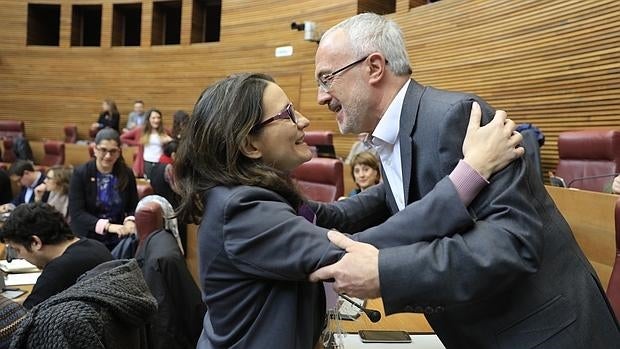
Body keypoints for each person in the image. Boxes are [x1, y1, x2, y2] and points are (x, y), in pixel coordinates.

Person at [309, 13, 620, 348]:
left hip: (546, 334)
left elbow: (512, 242)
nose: (320, 97)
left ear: (373, 67)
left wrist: (387, 271)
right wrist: (310, 217)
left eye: (327, 79)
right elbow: (400, 196)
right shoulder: (393, 131)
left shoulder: (455, 117)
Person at [173, 73, 519, 349]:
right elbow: (349, 249)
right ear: (249, 144)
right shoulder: (241, 209)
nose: (305, 119)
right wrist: (470, 173)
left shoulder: (242, 196)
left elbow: (333, 217)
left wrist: (406, 176)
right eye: (288, 114)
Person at [0, 202, 113, 309]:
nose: (20, 257)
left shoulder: (58, 270)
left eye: (17, 250)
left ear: (35, 243)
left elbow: (24, 320)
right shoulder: (94, 245)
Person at [69, 128, 138, 250]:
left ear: (119, 152)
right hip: (88, 237)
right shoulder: (81, 173)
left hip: (119, 237)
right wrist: (108, 226)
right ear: (95, 149)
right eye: (103, 150)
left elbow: (133, 206)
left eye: (113, 151)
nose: (108, 156)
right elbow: (77, 214)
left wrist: (129, 221)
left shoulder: (126, 173)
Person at [121, 108, 173, 178]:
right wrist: (137, 143)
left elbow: (174, 145)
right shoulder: (141, 130)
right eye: (153, 118)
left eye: (158, 118)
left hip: (161, 163)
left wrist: (170, 140)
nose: (156, 120)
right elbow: (122, 138)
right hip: (146, 162)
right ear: (148, 119)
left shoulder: (165, 131)